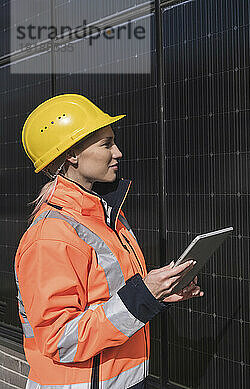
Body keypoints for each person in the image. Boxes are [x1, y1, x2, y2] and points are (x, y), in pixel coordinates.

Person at [14, 94, 201, 388]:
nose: (118, 152)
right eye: (106, 144)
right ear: (71, 155)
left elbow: (110, 300)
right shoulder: (50, 237)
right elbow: (61, 339)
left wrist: (156, 294)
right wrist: (142, 296)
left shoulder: (104, 217)